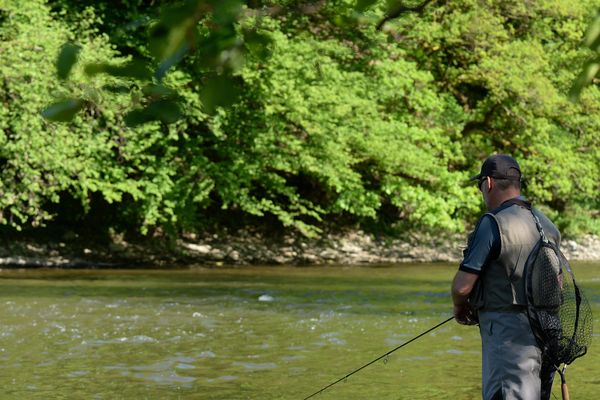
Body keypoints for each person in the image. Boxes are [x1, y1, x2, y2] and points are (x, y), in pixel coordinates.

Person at [451, 154, 561, 400]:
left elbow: (461, 287)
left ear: (488, 183)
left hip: (509, 337)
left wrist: (460, 308)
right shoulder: (548, 225)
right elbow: (557, 282)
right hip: (548, 332)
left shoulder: (494, 223)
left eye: (480, 185)